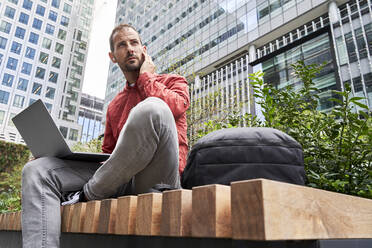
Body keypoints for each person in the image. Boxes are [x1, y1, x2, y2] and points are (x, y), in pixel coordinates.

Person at [21, 23, 190, 248]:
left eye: (134, 43)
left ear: (144, 50)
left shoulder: (172, 82)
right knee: (37, 170)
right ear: (113, 57)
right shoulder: (114, 106)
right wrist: (58, 158)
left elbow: (176, 107)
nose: (130, 49)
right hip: (119, 180)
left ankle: (86, 195)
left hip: (159, 177)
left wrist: (146, 78)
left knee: (153, 109)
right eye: (122, 45)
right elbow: (109, 158)